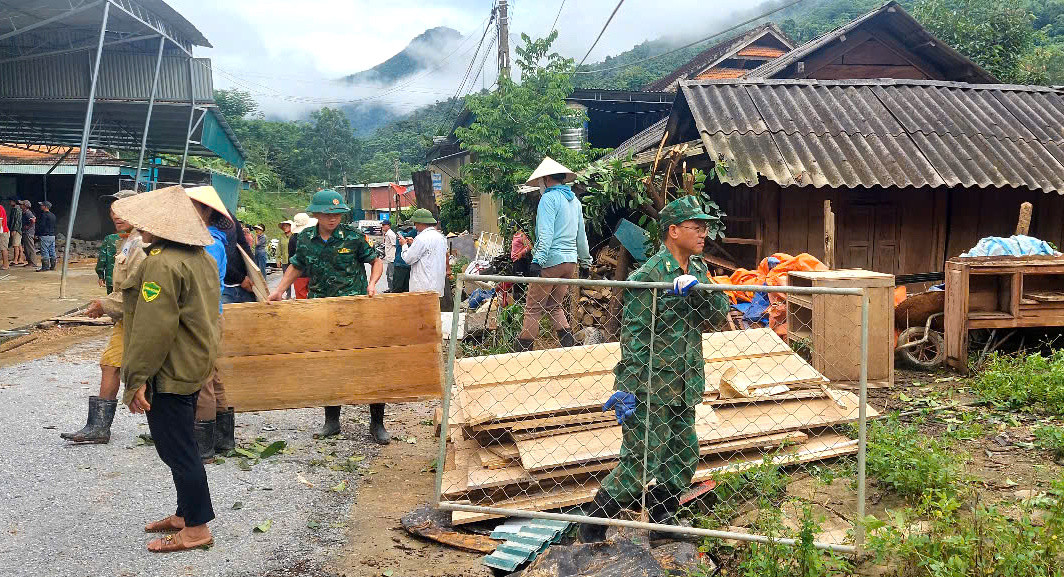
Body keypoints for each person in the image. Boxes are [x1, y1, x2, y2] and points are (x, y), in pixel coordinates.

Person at [579, 196, 730, 544]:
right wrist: (628, 386)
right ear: (673, 231)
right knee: (641, 461)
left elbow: (716, 315)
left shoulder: (698, 271)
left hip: (685, 381)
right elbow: (632, 336)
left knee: (682, 456)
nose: (703, 233)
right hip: (652, 385)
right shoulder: (648, 277)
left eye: (705, 227)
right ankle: (593, 525)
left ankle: (663, 523)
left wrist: (700, 292)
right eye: (697, 227)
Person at [112, 184, 220, 552]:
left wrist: (137, 377)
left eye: (149, 222)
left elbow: (152, 329)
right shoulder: (200, 256)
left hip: (170, 369)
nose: (140, 227)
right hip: (192, 362)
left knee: (177, 449)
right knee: (181, 442)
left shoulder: (161, 262)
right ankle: (184, 513)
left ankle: (197, 528)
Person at [267, 190, 388, 444]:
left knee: (370, 363)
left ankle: (377, 424)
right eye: (326, 214)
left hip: (354, 309)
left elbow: (376, 262)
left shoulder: (354, 237)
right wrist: (278, 291)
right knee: (328, 364)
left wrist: (373, 285)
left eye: (336, 214)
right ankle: (332, 421)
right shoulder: (306, 239)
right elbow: (297, 265)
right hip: (321, 310)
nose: (332, 219)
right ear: (316, 214)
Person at [63, 191, 143, 444]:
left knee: (151, 371)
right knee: (110, 364)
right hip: (126, 317)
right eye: (112, 212)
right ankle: (98, 427)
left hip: (141, 318)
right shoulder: (126, 241)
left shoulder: (141, 244)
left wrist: (105, 304)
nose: (116, 216)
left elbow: (137, 287)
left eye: (122, 211)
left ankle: (170, 428)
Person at [517, 157, 592, 351]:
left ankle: (521, 355)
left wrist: (537, 261)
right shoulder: (574, 201)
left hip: (551, 261)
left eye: (542, 181)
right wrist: (585, 263)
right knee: (554, 306)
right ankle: (568, 346)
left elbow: (546, 234)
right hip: (569, 263)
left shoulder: (548, 199)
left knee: (533, 308)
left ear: (547, 179)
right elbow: (581, 236)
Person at [186, 186, 235, 461]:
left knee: (201, 377)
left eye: (193, 206)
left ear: (205, 212)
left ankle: (203, 448)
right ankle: (223, 440)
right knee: (213, 375)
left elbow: (200, 285)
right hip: (209, 315)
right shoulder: (211, 242)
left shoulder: (209, 246)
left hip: (202, 316)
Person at [399, 209, 447, 298]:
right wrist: (414, 244)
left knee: (421, 312)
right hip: (437, 286)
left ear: (421, 223)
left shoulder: (421, 238)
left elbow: (408, 259)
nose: (415, 226)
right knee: (433, 310)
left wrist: (404, 245)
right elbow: (428, 252)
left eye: (416, 223)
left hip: (423, 287)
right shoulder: (441, 238)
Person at [220, 216, 256, 304]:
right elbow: (216, 259)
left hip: (243, 287)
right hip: (223, 287)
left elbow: (243, 244)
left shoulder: (229, 216)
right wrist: (240, 279)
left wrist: (254, 273)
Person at [287, 213, 316, 299]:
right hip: (310, 273)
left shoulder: (293, 239)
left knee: (301, 298)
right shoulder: (313, 237)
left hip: (300, 274)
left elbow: (291, 259)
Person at [389, 224, 415, 294]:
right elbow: (409, 234)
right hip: (400, 264)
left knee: (406, 289)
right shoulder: (400, 235)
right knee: (398, 288)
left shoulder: (412, 238)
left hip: (407, 265)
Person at [36, 200, 57, 272]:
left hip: (45, 235)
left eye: (42, 205)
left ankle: (45, 267)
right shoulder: (53, 215)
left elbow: (42, 225)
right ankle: (53, 266)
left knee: (45, 251)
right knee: (52, 251)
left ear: (45, 207)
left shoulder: (44, 215)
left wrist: (38, 234)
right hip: (52, 235)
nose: (40, 206)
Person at [21, 200, 38, 268]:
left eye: (22, 204)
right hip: (27, 232)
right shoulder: (25, 213)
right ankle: (30, 262)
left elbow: (33, 220)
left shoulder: (28, 213)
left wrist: (28, 227)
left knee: (30, 247)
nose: (20, 205)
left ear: (25, 206)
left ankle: (33, 262)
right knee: (27, 248)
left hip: (28, 232)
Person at [8, 198, 24, 266]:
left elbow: (17, 220)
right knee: (19, 244)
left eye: (11, 201)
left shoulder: (16, 209)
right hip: (18, 229)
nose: (10, 202)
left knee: (15, 245)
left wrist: (14, 229)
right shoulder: (16, 209)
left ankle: (15, 260)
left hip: (16, 229)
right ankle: (20, 258)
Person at [382, 220, 396, 289]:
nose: (383, 227)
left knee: (391, 275)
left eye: (384, 225)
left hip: (392, 258)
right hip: (389, 257)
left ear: (388, 226)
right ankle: (390, 288)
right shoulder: (387, 234)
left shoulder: (391, 234)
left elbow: (395, 244)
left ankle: (392, 289)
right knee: (388, 274)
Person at [0, 199, 8, 270]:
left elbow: (0, 221)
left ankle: (6, 264)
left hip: (2, 232)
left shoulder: (0, 208)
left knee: (3, 248)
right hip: (2, 231)